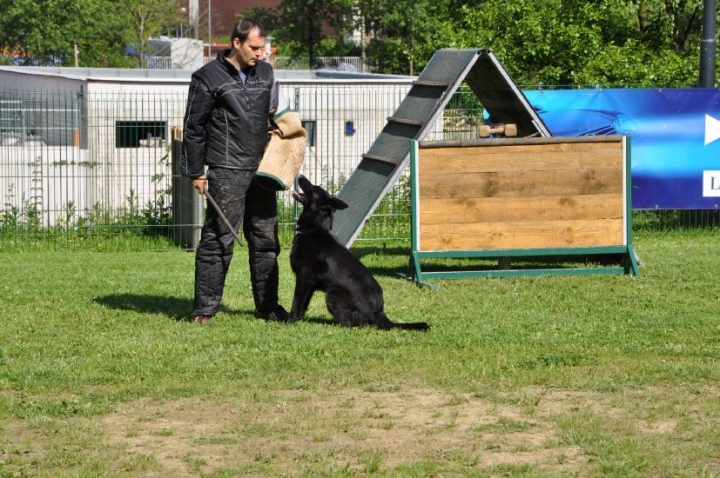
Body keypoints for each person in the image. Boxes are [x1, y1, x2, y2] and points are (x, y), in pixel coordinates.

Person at [181, 18, 289, 324]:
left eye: (263, 48)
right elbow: (194, 128)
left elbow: (272, 113)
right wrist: (195, 171)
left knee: (266, 240)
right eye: (255, 48)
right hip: (226, 168)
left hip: (263, 169)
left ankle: (268, 307)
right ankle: (204, 310)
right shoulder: (207, 77)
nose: (260, 54)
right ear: (237, 43)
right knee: (218, 240)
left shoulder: (266, 72)